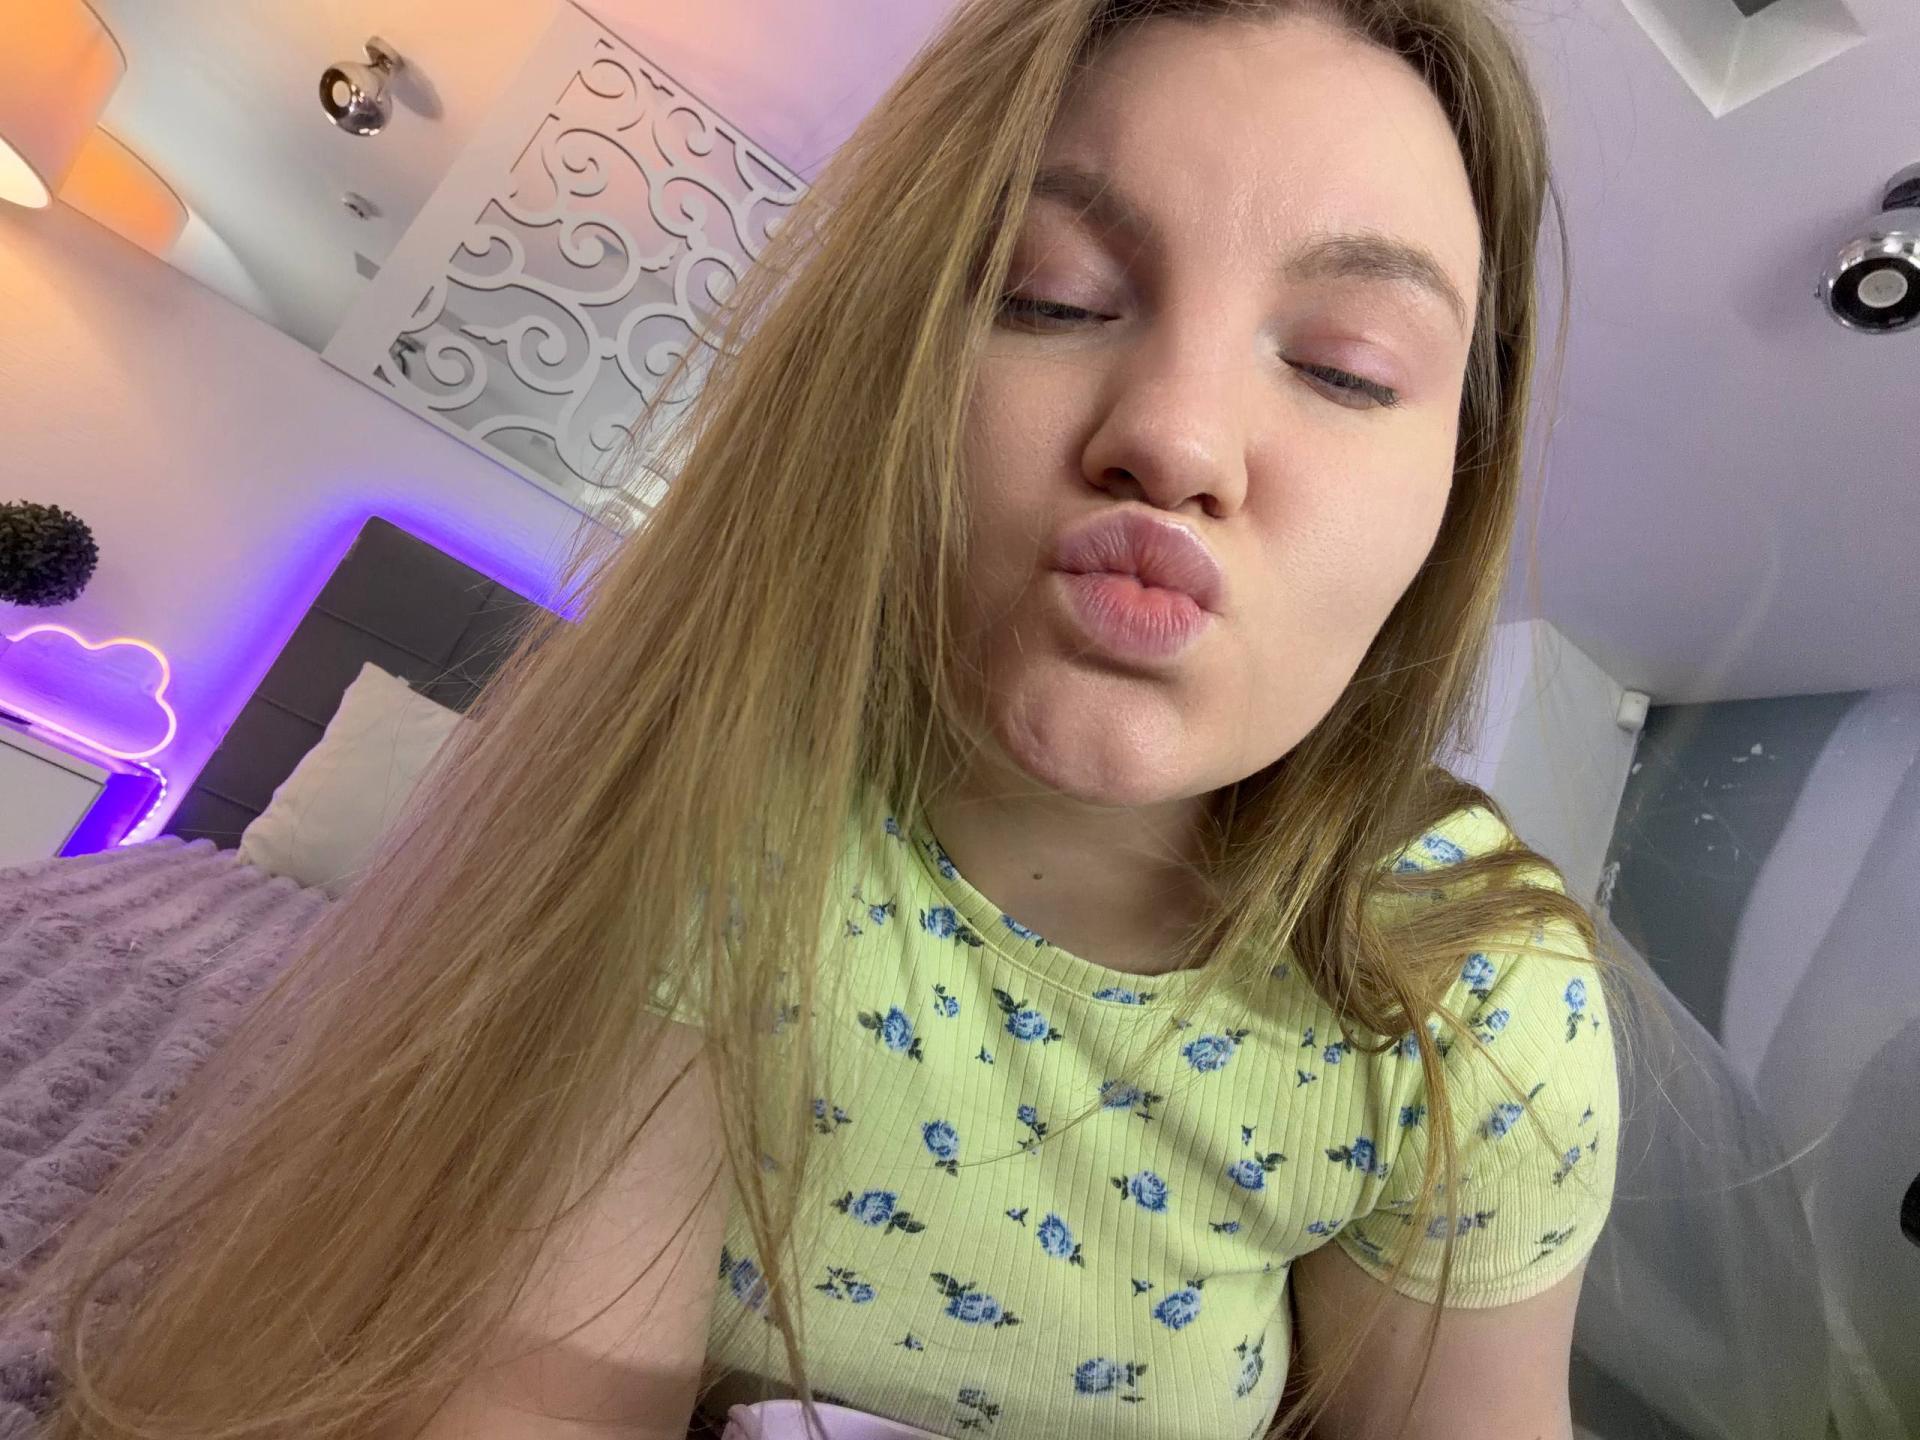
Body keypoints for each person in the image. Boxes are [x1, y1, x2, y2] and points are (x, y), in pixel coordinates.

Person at [6, 1, 1621, 1437]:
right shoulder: (716, 806)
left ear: (1453, 494)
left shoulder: (1470, 996)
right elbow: (547, 1396)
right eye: (1052, 294)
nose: (1178, 437)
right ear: (888, 370)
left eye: (1347, 368)